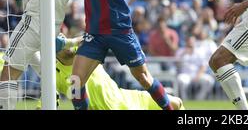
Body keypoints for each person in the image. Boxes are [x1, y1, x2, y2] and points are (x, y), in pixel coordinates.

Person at [52, 34, 184, 110]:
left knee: (176, 103)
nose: (66, 42)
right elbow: (46, 101)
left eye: (65, 37)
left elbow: (94, 35)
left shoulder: (84, 51)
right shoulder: (54, 74)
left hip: (127, 100)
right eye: (61, 41)